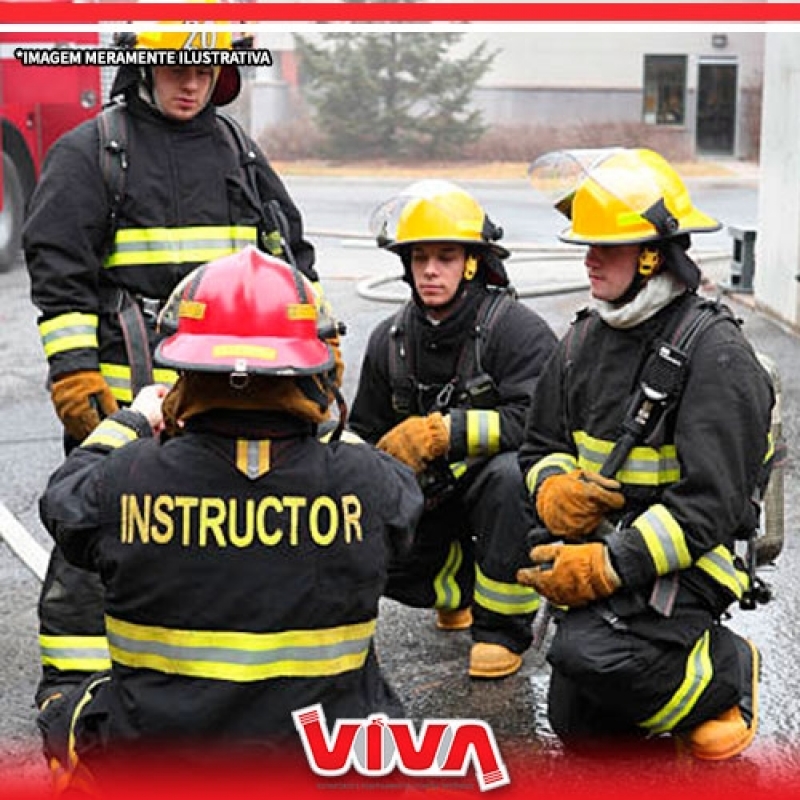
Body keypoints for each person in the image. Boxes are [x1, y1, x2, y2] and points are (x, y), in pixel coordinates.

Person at [36, 246, 423, 793]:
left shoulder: (124, 479)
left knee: (67, 713)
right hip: (322, 768)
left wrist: (133, 420)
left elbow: (63, 501)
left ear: (185, 369)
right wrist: (323, 416)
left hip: (163, 765)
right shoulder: (367, 482)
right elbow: (399, 507)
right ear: (311, 370)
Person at [23, 26, 331, 711]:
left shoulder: (236, 151)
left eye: (204, 68)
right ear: (143, 67)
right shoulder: (92, 154)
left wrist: (315, 345)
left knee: (219, 522)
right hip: (126, 390)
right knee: (100, 529)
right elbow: (60, 277)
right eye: (175, 68)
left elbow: (291, 261)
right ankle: (73, 690)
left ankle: (204, 678)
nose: (191, 83)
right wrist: (76, 376)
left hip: (226, 388)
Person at [518, 147, 774, 759]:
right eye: (586, 243)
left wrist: (608, 567)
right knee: (577, 723)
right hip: (614, 547)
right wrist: (554, 491)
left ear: (655, 253)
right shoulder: (583, 339)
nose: (588, 259)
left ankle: (726, 672)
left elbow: (709, 508)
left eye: (608, 245)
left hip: (694, 560)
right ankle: (659, 679)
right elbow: (540, 445)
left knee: (588, 654)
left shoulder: (715, 354)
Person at [349, 180, 558, 679]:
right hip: (429, 501)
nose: (429, 270)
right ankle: (455, 591)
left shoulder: (516, 331)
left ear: (471, 263)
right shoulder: (390, 340)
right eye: (419, 258)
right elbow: (363, 429)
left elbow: (542, 423)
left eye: (445, 257)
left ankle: (503, 630)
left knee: (509, 477)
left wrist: (445, 433)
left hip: (496, 499)